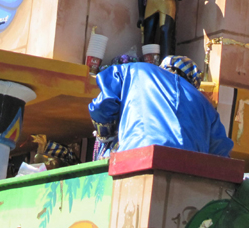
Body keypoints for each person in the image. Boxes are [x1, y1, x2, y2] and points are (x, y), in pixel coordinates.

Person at [89, 56, 233, 156]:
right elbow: (221, 155)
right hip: (190, 177)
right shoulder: (206, 105)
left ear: (162, 68)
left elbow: (102, 105)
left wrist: (106, 134)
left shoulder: (135, 70)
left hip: (136, 157)